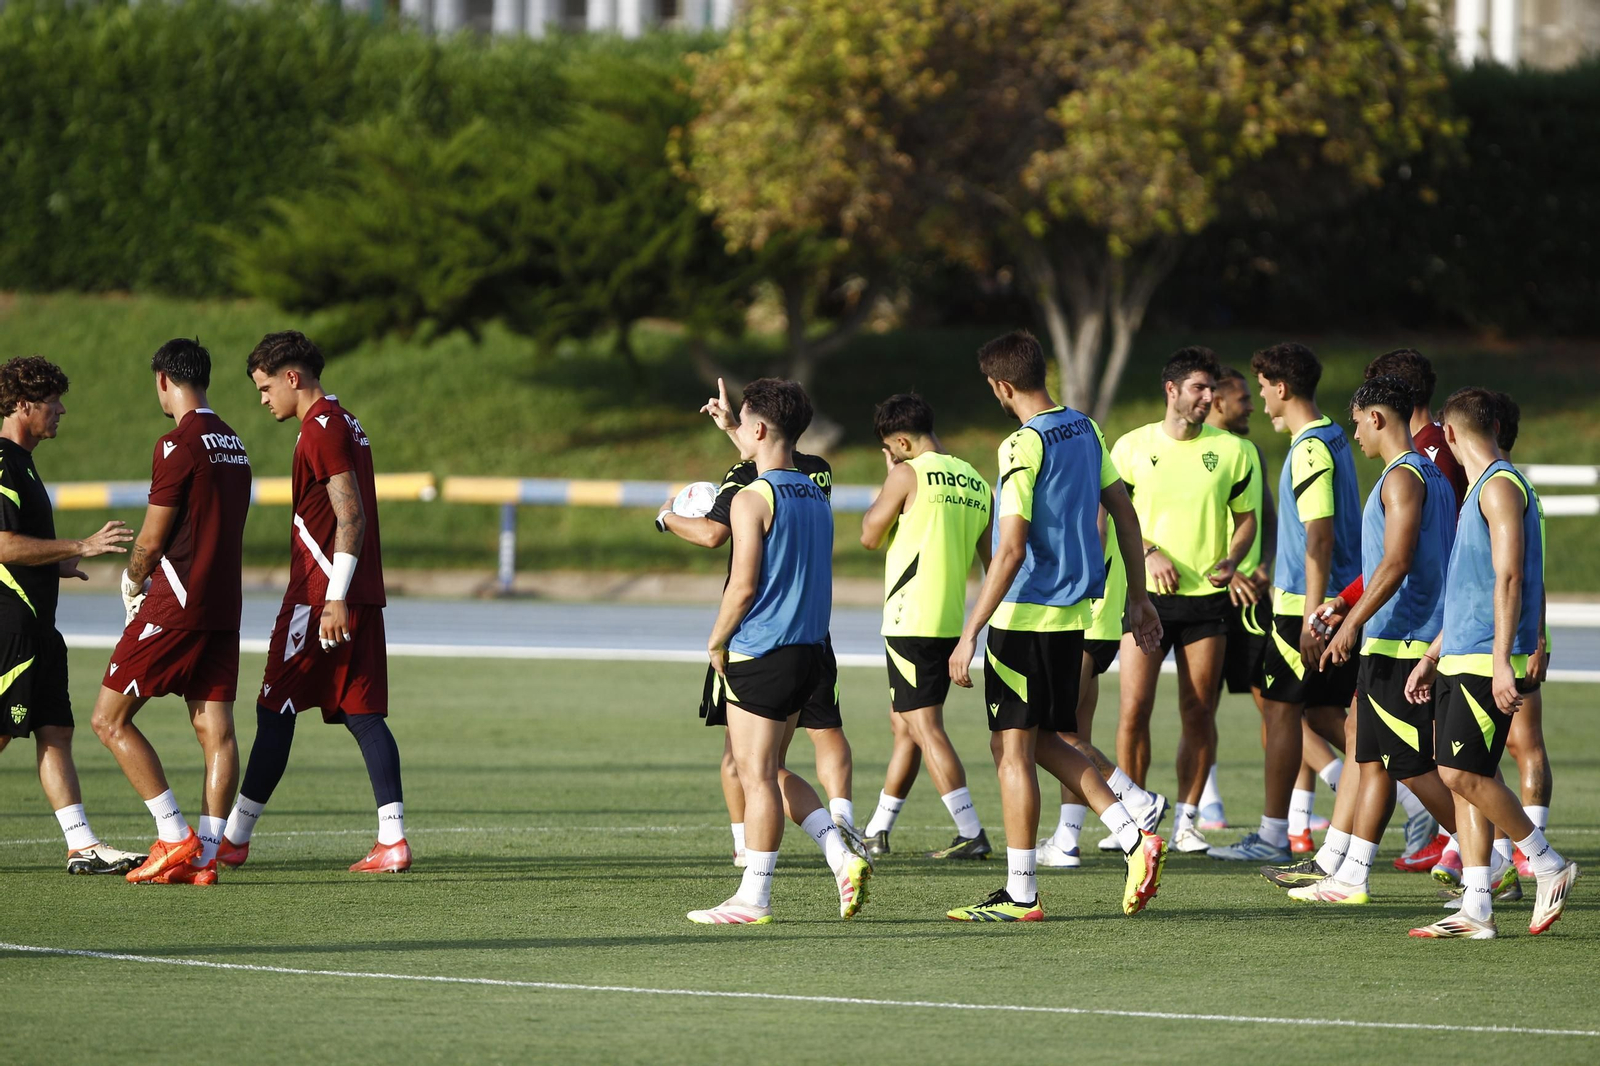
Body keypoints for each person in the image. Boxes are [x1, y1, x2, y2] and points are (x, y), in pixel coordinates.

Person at [944, 330, 1167, 922]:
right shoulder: (1087, 428)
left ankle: (1022, 892)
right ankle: (1131, 833)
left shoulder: (1021, 445)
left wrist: (971, 632)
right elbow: (1123, 510)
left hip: (1024, 618)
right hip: (1072, 619)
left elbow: (1010, 549)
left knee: (1013, 752)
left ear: (1001, 386)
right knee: (1043, 740)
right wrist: (1137, 599)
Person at [217, 331, 408, 873]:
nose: (262, 399)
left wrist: (333, 597)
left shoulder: (321, 428)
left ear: (291, 377)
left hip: (321, 595)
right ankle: (392, 839)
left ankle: (234, 837)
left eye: (264, 387)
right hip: (358, 591)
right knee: (363, 713)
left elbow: (351, 517)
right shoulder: (347, 422)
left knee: (273, 707)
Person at [686, 379, 871, 925]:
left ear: (761, 428)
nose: (736, 430)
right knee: (774, 768)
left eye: (742, 422)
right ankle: (840, 855)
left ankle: (754, 897)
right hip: (810, 649)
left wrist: (716, 640)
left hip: (762, 649)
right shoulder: (814, 490)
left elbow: (743, 586)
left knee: (755, 774)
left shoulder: (750, 498)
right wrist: (733, 431)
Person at [1274, 376, 1458, 905]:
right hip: (1394, 639)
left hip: (1401, 641)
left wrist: (1352, 622)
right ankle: (1351, 875)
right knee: (1371, 756)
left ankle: (1486, 860)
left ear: (1376, 418)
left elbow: (1398, 563)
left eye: (1356, 422)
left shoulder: (1402, 478)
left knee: (1415, 769)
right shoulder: (1426, 474)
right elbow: (1389, 560)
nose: (1353, 433)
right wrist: (1345, 600)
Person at [1402, 387, 1577, 939]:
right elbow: (1472, 586)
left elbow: (1511, 577)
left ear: (1450, 435)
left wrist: (1504, 661)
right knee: (1462, 778)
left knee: (1460, 772)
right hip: (1462, 653)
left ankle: (1545, 863)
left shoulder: (1500, 487)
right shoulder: (1483, 487)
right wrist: (1433, 654)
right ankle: (1477, 907)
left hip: (1484, 658)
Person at [90, 340, 253, 886]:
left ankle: (173, 834)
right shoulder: (235, 442)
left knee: (107, 719)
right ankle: (205, 857)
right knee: (216, 729)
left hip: (176, 602)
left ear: (163, 379)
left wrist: (132, 580)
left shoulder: (175, 444)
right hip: (224, 605)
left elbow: (154, 536)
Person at [1210, 343, 1359, 863]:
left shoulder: (1311, 447)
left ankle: (1272, 837)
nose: (1259, 401)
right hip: (1330, 599)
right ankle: (1414, 800)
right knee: (1323, 714)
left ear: (1282, 388)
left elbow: (1319, 537)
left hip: (1306, 606)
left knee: (1279, 712)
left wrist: (1314, 615)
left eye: (1262, 388)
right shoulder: (1334, 437)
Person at [1109, 348, 1258, 854]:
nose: (1209, 397)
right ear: (1171, 390)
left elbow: (1247, 519)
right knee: (1134, 709)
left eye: (1212, 388)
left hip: (1206, 605)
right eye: (1199, 387)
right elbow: (1113, 517)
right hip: (1143, 599)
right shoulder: (1130, 448)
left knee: (1198, 713)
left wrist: (1233, 558)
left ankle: (1189, 820)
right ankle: (1131, 819)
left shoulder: (1236, 452)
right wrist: (1149, 552)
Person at [0, 356, 142, 875]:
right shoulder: (1, 461)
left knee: (56, 730)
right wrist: (81, 542)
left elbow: (25, 547)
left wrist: (61, 562)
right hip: (9, 626)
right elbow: (3, 545)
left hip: (39, 625)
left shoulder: (25, 461)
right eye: (52, 401)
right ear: (22, 405)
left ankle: (81, 845)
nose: (61, 410)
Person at [857, 393, 992, 860]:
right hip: (950, 619)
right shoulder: (976, 480)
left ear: (898, 441)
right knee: (906, 726)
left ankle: (971, 831)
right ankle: (878, 828)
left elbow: (869, 535)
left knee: (924, 726)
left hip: (909, 616)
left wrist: (891, 476)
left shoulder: (906, 473)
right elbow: (992, 562)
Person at [1201, 365, 1277, 832]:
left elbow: (1266, 516)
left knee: (1272, 701)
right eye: (1242, 399)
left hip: (1250, 596)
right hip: (1206, 596)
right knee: (1200, 702)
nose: (1251, 406)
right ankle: (1207, 802)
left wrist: (1263, 567)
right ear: (1218, 402)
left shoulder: (1247, 452)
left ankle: (1286, 810)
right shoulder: (1184, 449)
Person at [1494, 393, 1553, 881]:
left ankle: (1531, 850)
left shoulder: (1510, 490)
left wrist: (1536, 638)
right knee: (1484, 751)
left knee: (1523, 743)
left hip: (1515, 639)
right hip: (1506, 635)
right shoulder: (1506, 487)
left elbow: (1529, 572)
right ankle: (1502, 852)